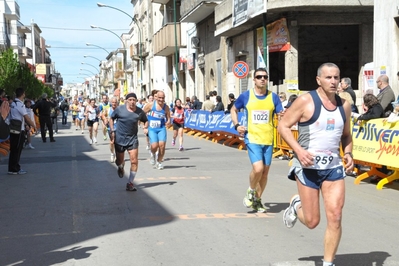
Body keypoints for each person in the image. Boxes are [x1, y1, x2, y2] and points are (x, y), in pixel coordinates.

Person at [277, 63, 354, 266]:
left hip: (333, 169)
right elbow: (283, 126)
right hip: (307, 167)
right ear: (318, 80)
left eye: (336, 77)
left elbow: (346, 135)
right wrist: (299, 151)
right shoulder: (305, 101)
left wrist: (348, 153)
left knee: (336, 216)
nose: (333, 81)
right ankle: (296, 204)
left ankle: (328, 263)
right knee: (312, 222)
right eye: (328, 77)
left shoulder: (344, 106)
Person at [230, 67, 284, 213]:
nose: (262, 79)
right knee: (258, 169)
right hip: (252, 138)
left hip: (268, 139)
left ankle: (257, 200)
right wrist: (237, 125)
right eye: (259, 77)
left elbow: (281, 114)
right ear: (254, 79)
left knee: (265, 173)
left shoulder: (273, 97)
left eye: (265, 77)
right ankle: (251, 190)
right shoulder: (246, 96)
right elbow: (233, 110)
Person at [109, 93, 148, 191]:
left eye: (134, 100)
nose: (132, 101)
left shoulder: (139, 111)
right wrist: (112, 130)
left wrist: (145, 127)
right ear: (126, 101)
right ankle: (121, 166)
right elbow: (111, 118)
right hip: (120, 139)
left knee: (134, 161)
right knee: (119, 161)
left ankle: (130, 183)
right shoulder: (120, 109)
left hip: (132, 139)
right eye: (130, 99)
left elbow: (145, 120)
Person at [8, 88, 36, 175]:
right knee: (17, 150)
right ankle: (15, 168)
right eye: (24, 94)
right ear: (22, 94)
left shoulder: (13, 104)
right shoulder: (20, 105)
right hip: (19, 130)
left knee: (13, 150)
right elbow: (26, 117)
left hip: (12, 128)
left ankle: (11, 168)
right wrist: (34, 126)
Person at [143, 90, 171, 170]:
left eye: (162, 98)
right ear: (156, 97)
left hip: (161, 128)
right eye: (159, 98)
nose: (161, 100)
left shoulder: (166, 107)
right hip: (152, 129)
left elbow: (168, 117)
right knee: (154, 146)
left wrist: (168, 121)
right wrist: (145, 126)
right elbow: (142, 114)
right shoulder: (151, 105)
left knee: (162, 146)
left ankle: (159, 162)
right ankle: (152, 154)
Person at [101, 96, 118, 162]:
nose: (114, 104)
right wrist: (105, 119)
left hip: (119, 128)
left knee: (118, 142)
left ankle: (117, 154)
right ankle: (112, 153)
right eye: (113, 102)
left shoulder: (119, 109)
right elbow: (102, 115)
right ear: (111, 103)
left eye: (115, 102)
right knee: (112, 142)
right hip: (110, 128)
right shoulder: (108, 110)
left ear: (117, 103)